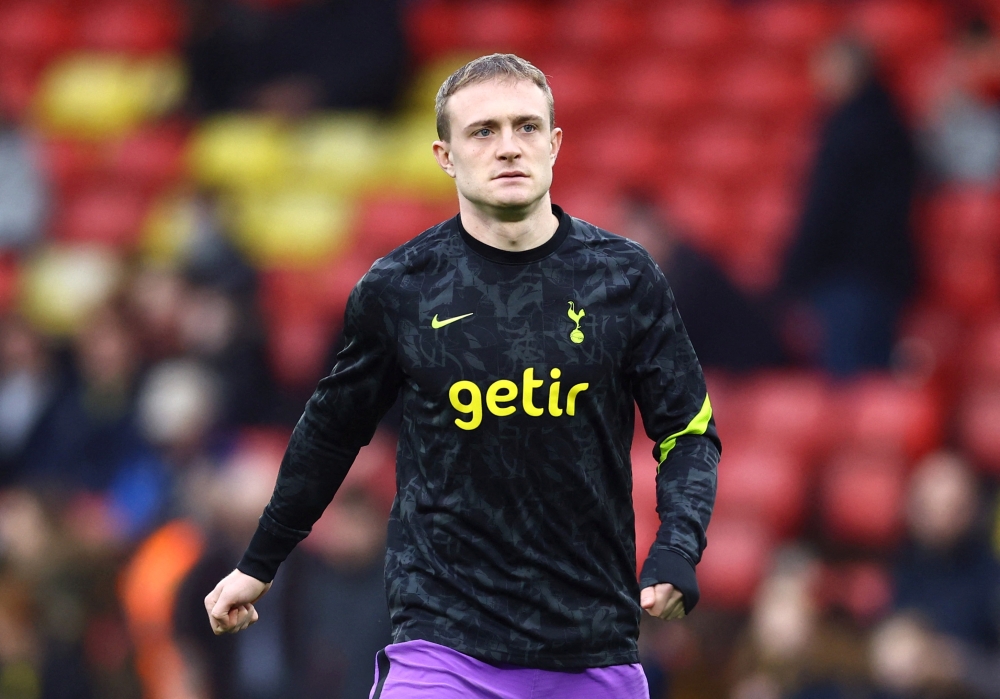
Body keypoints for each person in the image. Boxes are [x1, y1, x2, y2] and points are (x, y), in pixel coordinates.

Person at [204, 54, 721, 699]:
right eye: (483, 131)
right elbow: (329, 435)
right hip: (443, 652)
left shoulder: (624, 279)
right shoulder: (400, 290)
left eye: (527, 128)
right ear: (444, 154)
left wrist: (678, 545)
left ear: (555, 145)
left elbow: (689, 430)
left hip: (592, 653)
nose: (509, 148)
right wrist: (260, 563)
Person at [779, 37, 918, 377]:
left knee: (848, 388)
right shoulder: (893, 121)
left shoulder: (848, 129)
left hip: (848, 278)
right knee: (872, 385)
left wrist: (792, 273)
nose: (819, 78)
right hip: (881, 275)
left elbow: (826, 207)